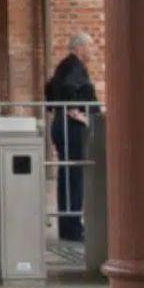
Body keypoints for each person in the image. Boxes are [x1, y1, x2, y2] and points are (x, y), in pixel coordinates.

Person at [45, 33, 98, 242]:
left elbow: (50, 88)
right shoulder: (74, 66)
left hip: (63, 125)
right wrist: (77, 113)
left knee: (69, 175)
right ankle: (72, 226)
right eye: (90, 46)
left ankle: (70, 224)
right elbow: (67, 89)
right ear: (80, 48)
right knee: (73, 176)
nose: (92, 51)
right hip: (71, 128)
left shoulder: (65, 65)